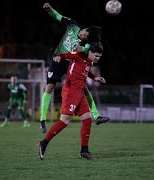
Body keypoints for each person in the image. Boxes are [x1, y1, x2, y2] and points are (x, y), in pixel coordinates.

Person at [39, 2, 109, 133]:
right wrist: (49, 10)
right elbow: (58, 16)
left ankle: (97, 116)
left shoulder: (88, 42)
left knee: (84, 88)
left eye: (85, 38)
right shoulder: (73, 24)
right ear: (85, 29)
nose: (82, 37)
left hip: (72, 62)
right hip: (58, 59)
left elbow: (96, 46)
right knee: (49, 87)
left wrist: (85, 47)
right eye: (83, 34)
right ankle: (42, 119)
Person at [38, 42, 105, 160]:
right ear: (89, 52)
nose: (97, 59)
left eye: (99, 57)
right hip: (71, 91)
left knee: (87, 119)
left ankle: (84, 151)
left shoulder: (89, 61)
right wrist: (59, 57)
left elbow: (86, 71)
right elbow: (67, 55)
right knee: (65, 121)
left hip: (79, 92)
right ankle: (43, 143)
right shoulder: (79, 55)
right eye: (96, 56)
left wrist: (95, 77)